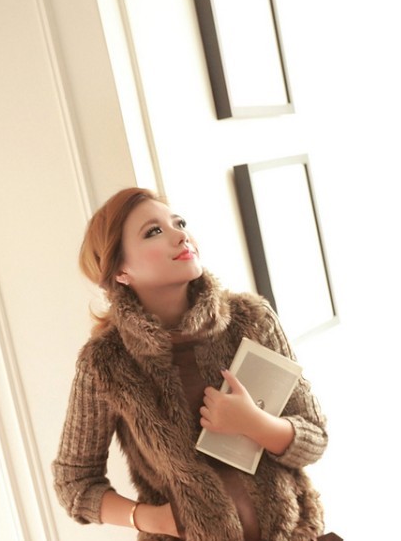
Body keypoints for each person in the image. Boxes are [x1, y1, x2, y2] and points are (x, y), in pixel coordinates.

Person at [52, 187, 329, 541]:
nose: (180, 235)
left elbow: (315, 437)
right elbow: (73, 483)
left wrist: (253, 422)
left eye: (179, 223)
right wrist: (154, 520)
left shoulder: (252, 320)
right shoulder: (105, 363)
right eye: (154, 231)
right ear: (120, 270)